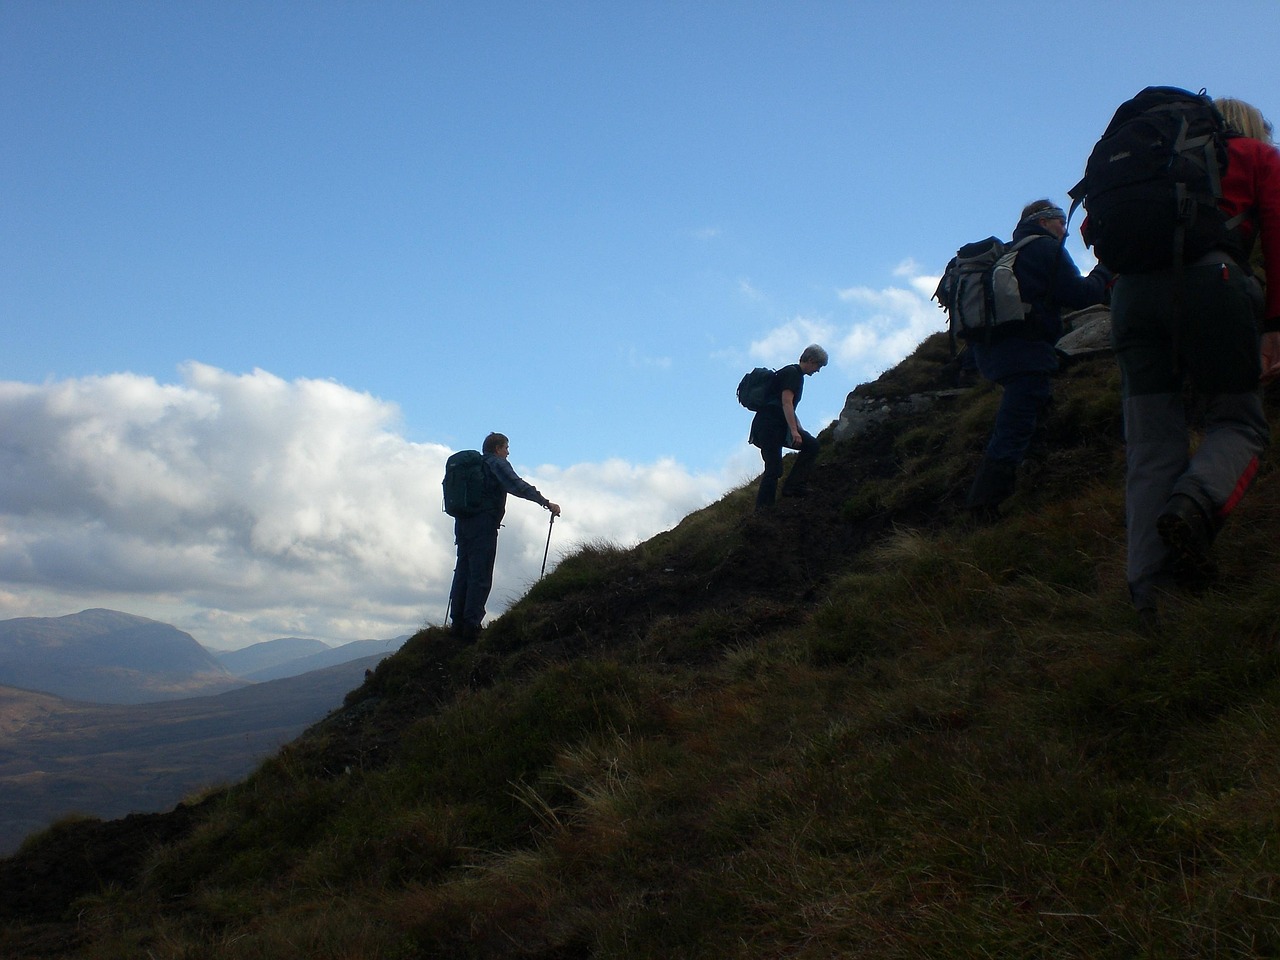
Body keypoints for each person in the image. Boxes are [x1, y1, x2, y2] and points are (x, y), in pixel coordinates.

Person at [1110, 97, 1280, 629]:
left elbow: (1095, 230)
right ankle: (1193, 503)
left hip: (1131, 299)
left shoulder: (1146, 159)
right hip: (1213, 284)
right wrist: (1275, 323)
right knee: (1239, 422)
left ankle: (1151, 596)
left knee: (1150, 445)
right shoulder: (1254, 155)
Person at [966, 200, 1112, 519]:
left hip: (993, 353)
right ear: (1044, 222)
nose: (1065, 231)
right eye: (1061, 222)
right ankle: (984, 505)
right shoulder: (1045, 248)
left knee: (1028, 408)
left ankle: (1033, 469)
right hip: (1025, 352)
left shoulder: (1009, 252)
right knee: (1014, 424)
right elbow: (1082, 295)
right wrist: (1105, 270)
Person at [448, 432, 561, 639]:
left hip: (463, 523)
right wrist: (545, 502)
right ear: (498, 448)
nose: (508, 453)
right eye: (506, 448)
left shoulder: (475, 466)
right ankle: (471, 626)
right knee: (480, 573)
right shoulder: (496, 463)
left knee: (463, 571)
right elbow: (516, 485)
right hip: (483, 524)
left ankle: (457, 623)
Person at [749, 344, 828, 509]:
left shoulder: (792, 373)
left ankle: (793, 487)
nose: (818, 370)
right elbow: (786, 402)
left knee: (811, 445)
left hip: (772, 425)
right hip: (769, 426)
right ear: (811, 360)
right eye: (818, 365)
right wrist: (794, 430)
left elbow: (787, 405)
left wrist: (799, 428)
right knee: (774, 468)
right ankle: (763, 510)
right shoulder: (793, 374)